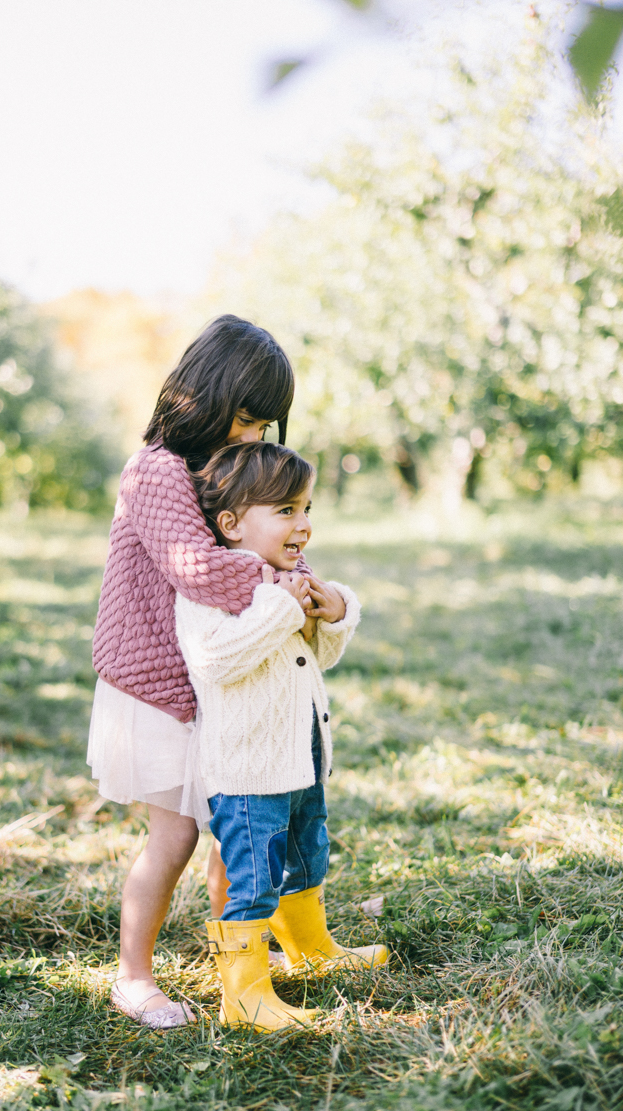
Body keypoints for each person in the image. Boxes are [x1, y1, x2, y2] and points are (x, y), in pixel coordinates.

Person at [89, 314, 313, 1029]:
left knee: (234, 823)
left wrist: (295, 578)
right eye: (246, 418)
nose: (253, 436)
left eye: (264, 425)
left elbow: (274, 544)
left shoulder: (226, 469)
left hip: (217, 683)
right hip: (156, 684)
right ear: (208, 396)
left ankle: (236, 958)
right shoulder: (155, 470)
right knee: (175, 834)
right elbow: (203, 570)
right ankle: (133, 977)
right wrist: (280, 584)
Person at [175, 441, 389, 1031]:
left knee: (306, 853)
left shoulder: (287, 580)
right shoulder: (207, 589)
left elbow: (318, 653)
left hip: (301, 760)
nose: (304, 524)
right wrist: (279, 607)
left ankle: (312, 949)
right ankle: (243, 997)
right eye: (287, 510)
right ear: (232, 524)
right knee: (256, 877)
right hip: (248, 774)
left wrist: (335, 608)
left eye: (307, 508)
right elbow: (217, 660)